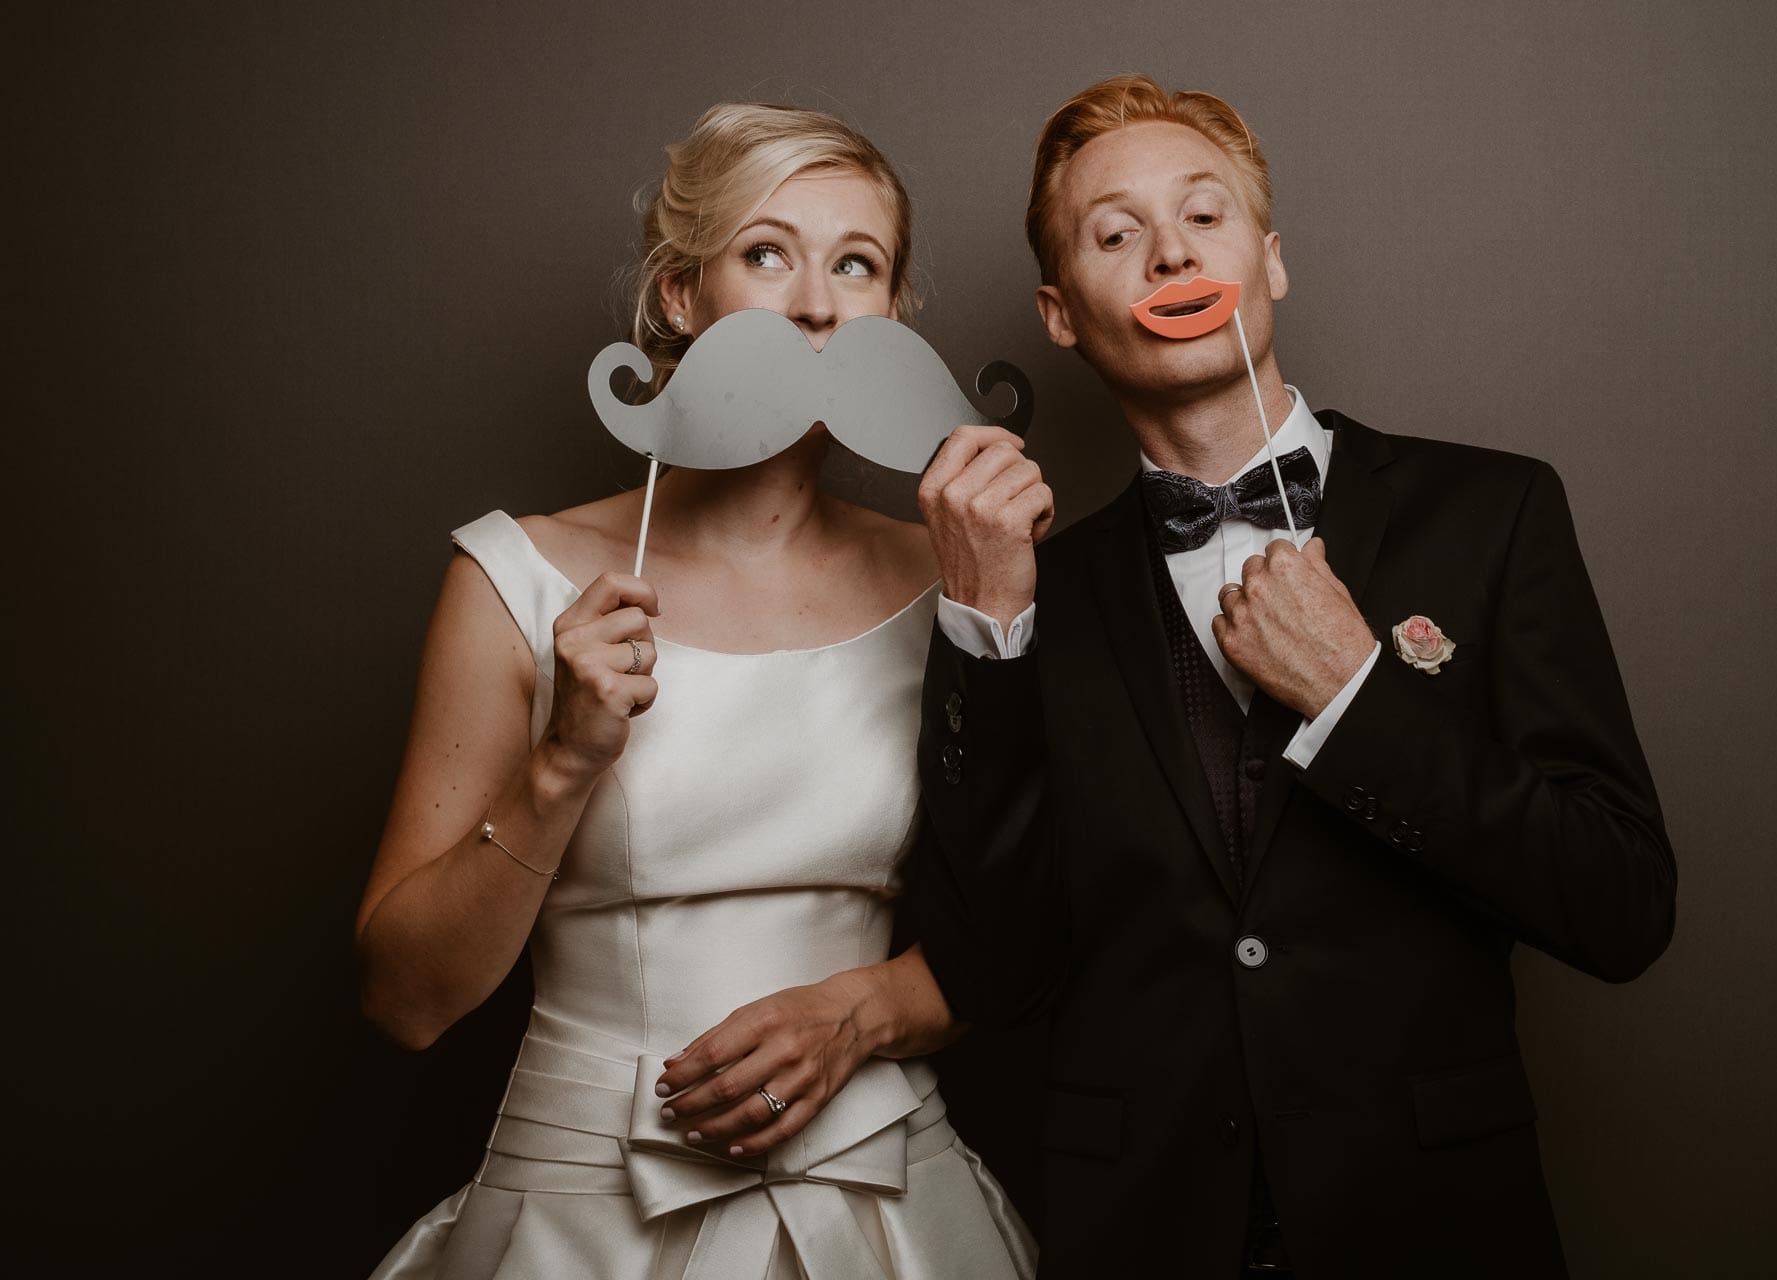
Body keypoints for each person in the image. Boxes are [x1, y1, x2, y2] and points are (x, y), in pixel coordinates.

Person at [911, 74, 1676, 1278]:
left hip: (1432, 1226)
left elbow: (1620, 903)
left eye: (1203, 216)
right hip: (1144, 1235)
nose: (1169, 250)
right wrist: (980, 626)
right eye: (1116, 233)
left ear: (1269, 262)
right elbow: (994, 973)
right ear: (1061, 313)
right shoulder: (1032, 595)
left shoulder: (1493, 514)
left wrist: (1359, 693)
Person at [356, 102, 1035, 1279]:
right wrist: (563, 761)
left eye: (856, 265)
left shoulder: (949, 574)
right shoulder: (512, 578)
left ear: (888, 314)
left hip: (888, 1204)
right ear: (681, 296)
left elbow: (1030, 926)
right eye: (767, 253)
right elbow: (405, 998)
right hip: (582, 1222)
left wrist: (862, 1013)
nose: (817, 304)